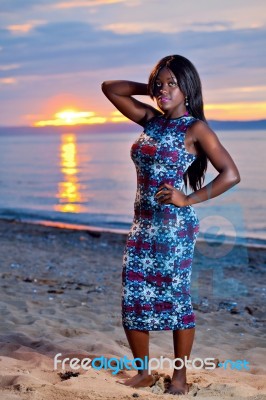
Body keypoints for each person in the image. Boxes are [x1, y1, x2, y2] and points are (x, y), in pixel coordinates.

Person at [101, 55, 240, 395]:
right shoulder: (152, 121)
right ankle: (143, 373)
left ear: (188, 88)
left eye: (171, 85)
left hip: (173, 227)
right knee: (133, 294)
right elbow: (110, 88)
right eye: (158, 84)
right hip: (142, 225)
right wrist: (149, 88)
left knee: (175, 297)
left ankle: (179, 376)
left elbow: (231, 174)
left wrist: (187, 199)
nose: (163, 91)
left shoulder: (196, 129)